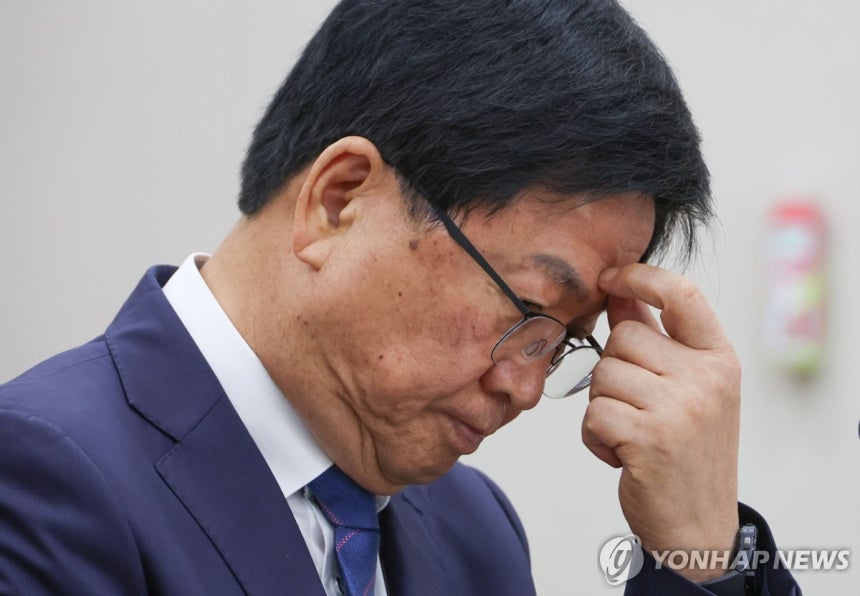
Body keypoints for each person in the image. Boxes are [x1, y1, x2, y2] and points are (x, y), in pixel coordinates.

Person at [0, 1, 801, 594]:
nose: (526, 388)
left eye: (564, 343)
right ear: (339, 200)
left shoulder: (474, 531)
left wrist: (701, 556)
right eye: (527, 311)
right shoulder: (43, 477)